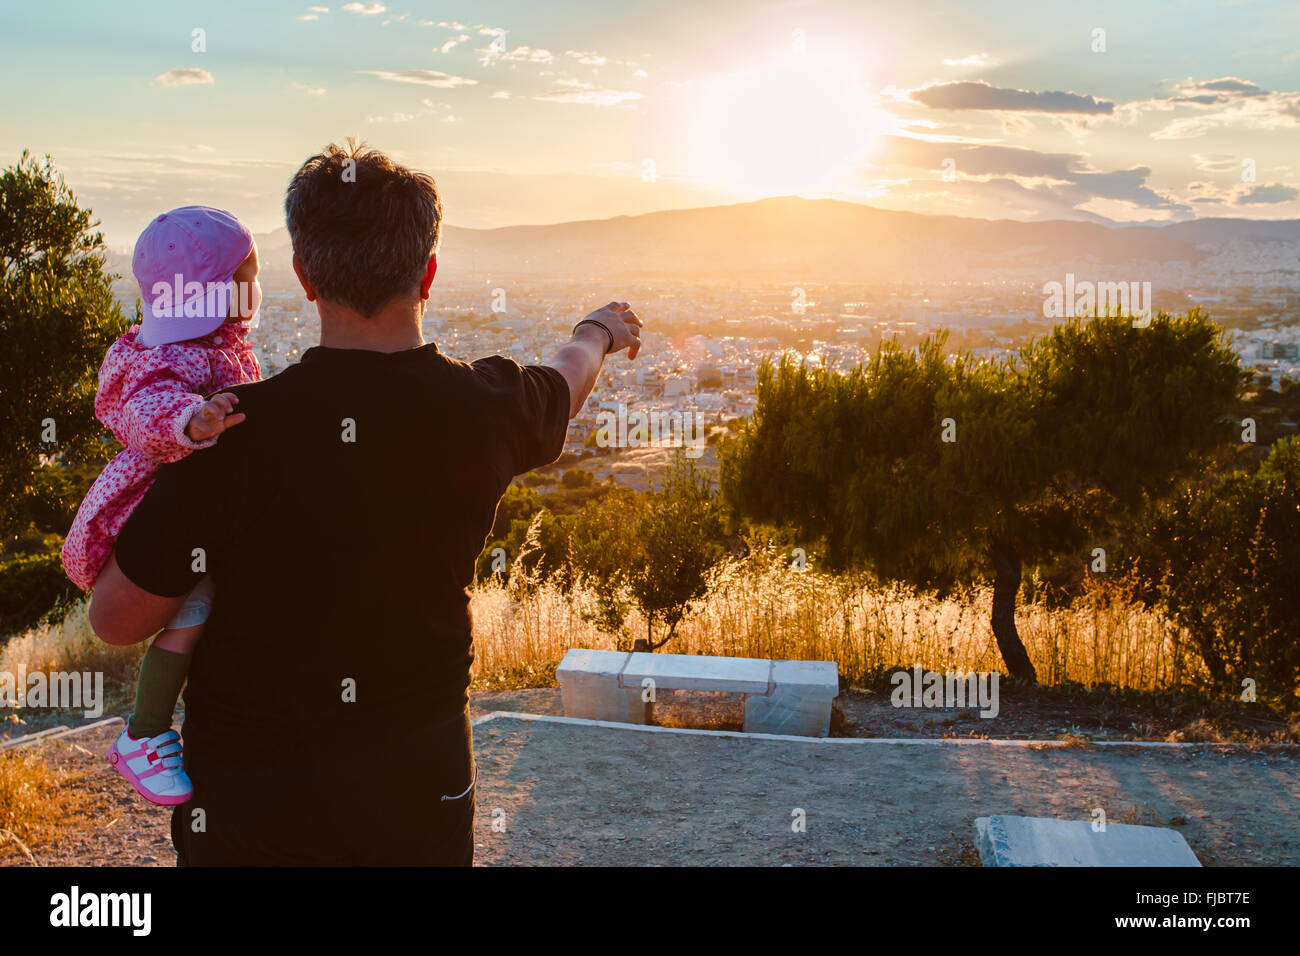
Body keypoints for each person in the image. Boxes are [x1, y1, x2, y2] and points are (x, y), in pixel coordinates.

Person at [88, 141, 642, 865]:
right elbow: (566, 380)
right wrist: (596, 331)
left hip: (251, 793)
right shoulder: (488, 408)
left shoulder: (227, 434)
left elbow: (114, 618)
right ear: (430, 273)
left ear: (304, 278)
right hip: (418, 779)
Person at [63, 205, 262, 805]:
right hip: (158, 506)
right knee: (191, 613)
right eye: (246, 276)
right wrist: (192, 422)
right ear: (208, 294)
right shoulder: (167, 355)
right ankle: (143, 733)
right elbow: (143, 411)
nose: (256, 289)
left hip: (201, 510)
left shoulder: (207, 341)